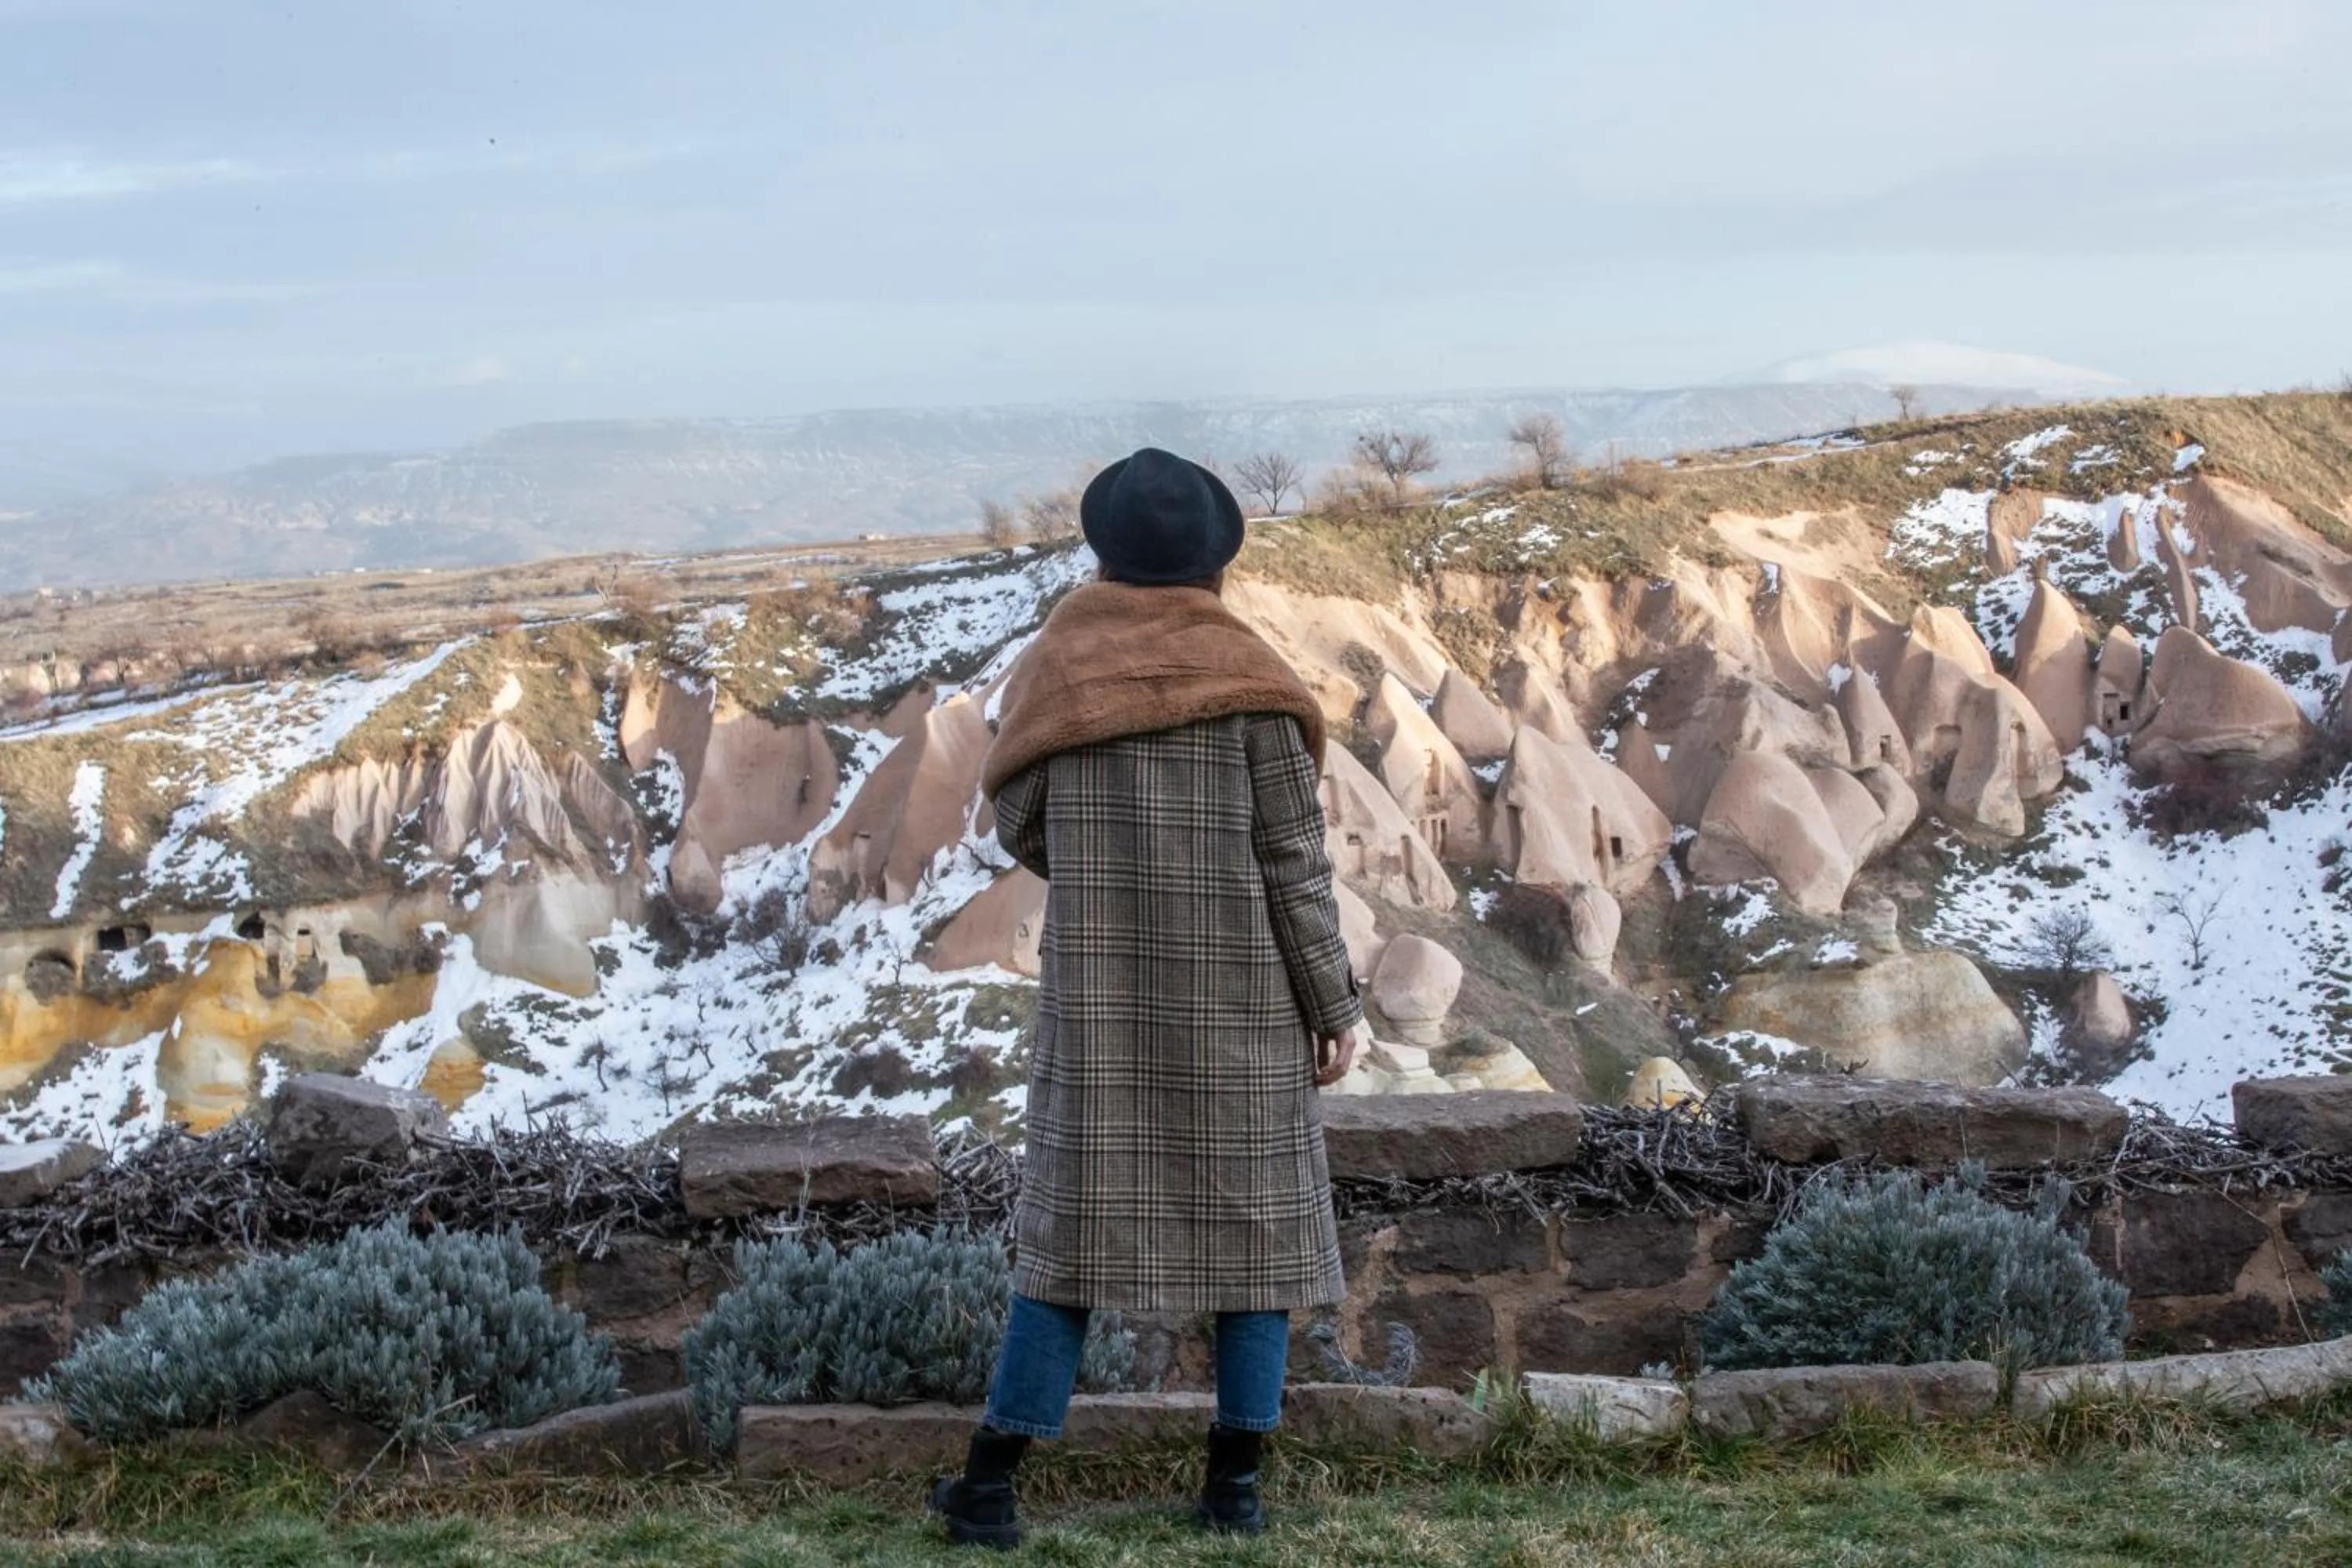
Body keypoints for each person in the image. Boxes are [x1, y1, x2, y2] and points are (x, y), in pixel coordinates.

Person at [928, 447, 1363, 1548]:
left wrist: (1112, 851)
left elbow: (1024, 826)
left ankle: (990, 1487)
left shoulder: (1060, 674)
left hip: (1104, 1001)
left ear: (1106, 550)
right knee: (1256, 1248)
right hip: (1245, 1006)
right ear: (1216, 558)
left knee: (1067, 1247)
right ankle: (1236, 1490)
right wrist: (1335, 1005)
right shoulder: (1257, 686)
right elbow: (1294, 868)